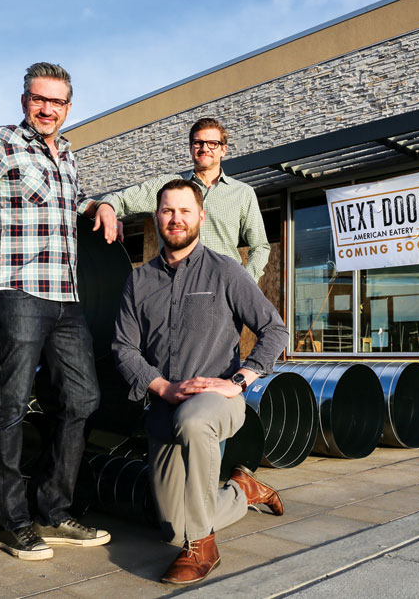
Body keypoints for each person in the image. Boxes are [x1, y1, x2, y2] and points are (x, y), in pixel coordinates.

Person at [0, 62, 110, 561]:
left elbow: (67, 206)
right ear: (25, 99)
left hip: (66, 299)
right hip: (18, 293)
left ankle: (53, 510)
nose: (47, 108)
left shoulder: (67, 154)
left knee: (82, 399)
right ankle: (12, 522)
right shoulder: (0, 143)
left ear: (69, 107)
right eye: (39, 98)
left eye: (57, 102)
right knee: (11, 405)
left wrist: (101, 206)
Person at [112, 178, 288, 585]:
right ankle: (241, 490)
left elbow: (274, 330)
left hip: (217, 402)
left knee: (193, 419)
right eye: (168, 211)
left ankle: (204, 547)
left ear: (201, 217)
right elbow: (123, 347)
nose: (176, 219)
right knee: (173, 529)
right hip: (164, 407)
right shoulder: (139, 281)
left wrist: (240, 381)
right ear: (157, 217)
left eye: (185, 211)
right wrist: (161, 387)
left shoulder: (225, 270)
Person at [95, 117, 270, 282]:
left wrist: (246, 283)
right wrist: (106, 207)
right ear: (190, 147)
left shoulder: (242, 193)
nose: (205, 148)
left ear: (223, 149)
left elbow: (260, 246)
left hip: (224, 285)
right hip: (174, 284)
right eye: (198, 143)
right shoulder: (166, 187)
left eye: (212, 144)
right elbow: (121, 200)